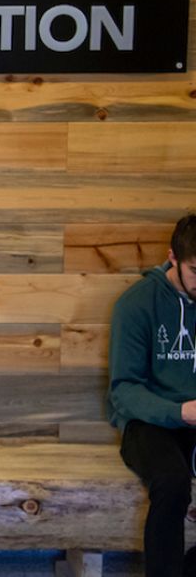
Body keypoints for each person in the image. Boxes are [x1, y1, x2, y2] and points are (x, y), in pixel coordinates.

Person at [108, 213, 196, 576]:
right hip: (148, 424)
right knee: (172, 482)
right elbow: (124, 391)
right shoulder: (137, 303)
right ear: (172, 258)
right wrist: (180, 412)